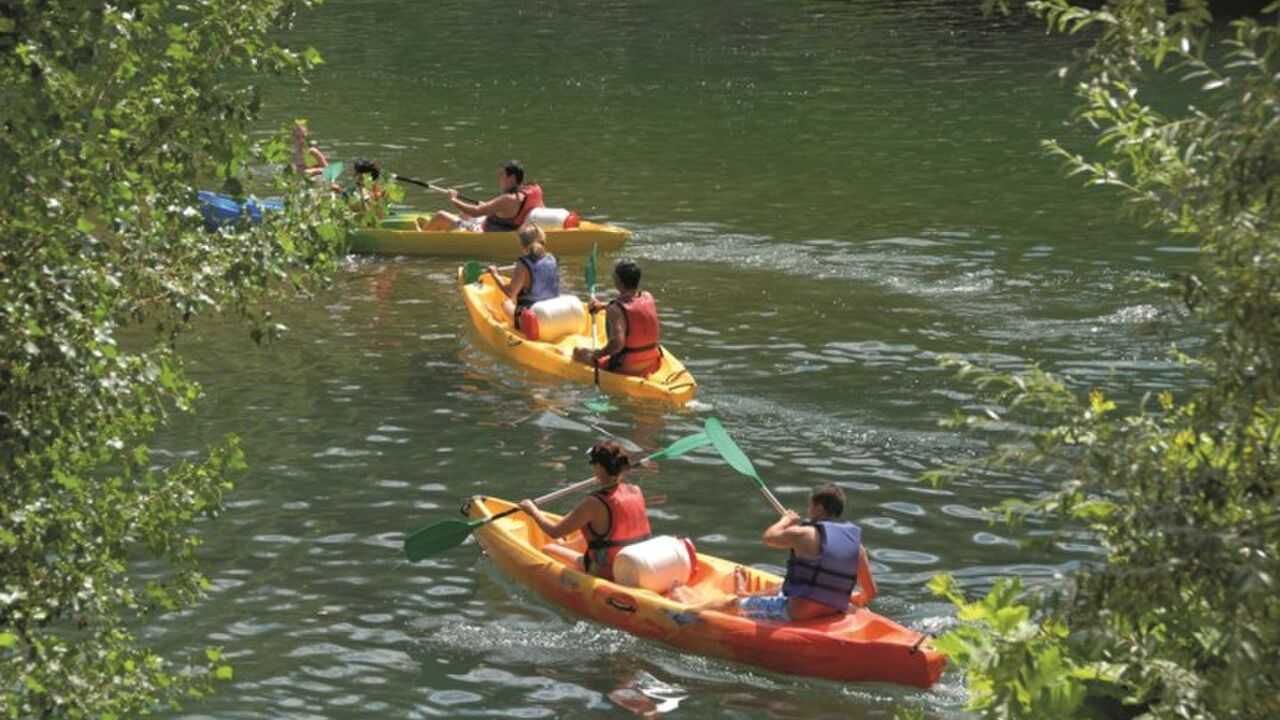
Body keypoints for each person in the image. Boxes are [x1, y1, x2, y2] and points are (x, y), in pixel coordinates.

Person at [673, 483, 876, 622]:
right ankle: (745, 593)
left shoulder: (803, 534)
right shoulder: (857, 548)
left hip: (796, 612)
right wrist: (853, 599)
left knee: (732, 604)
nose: (809, 512)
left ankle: (688, 608)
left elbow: (769, 537)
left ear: (819, 509)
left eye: (810, 507)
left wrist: (785, 520)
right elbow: (871, 593)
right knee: (781, 586)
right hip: (833, 611)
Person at [518, 441, 652, 581]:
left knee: (548, 550)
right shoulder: (635, 490)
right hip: (639, 564)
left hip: (609, 572)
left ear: (599, 468)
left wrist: (532, 510)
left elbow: (554, 532)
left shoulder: (594, 503)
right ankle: (565, 547)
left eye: (594, 464)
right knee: (587, 536)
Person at [572, 259, 663, 377]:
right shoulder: (648, 296)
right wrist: (603, 306)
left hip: (627, 366)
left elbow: (616, 345)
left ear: (618, 281)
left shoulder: (615, 309)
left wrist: (598, 354)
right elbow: (632, 306)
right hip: (652, 361)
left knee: (578, 352)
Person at [419, 160, 544, 232]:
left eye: (502, 175)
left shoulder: (508, 199)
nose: (499, 178)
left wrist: (454, 199)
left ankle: (420, 236)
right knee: (464, 214)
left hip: (482, 231)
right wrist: (491, 207)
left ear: (512, 178)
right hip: (504, 225)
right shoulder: (532, 189)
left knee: (441, 215)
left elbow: (475, 212)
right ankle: (446, 229)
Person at [487, 224, 559, 329]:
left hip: (532, 320)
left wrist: (495, 275)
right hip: (553, 313)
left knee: (505, 303)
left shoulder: (523, 264)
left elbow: (510, 292)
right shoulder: (552, 258)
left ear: (522, 244)